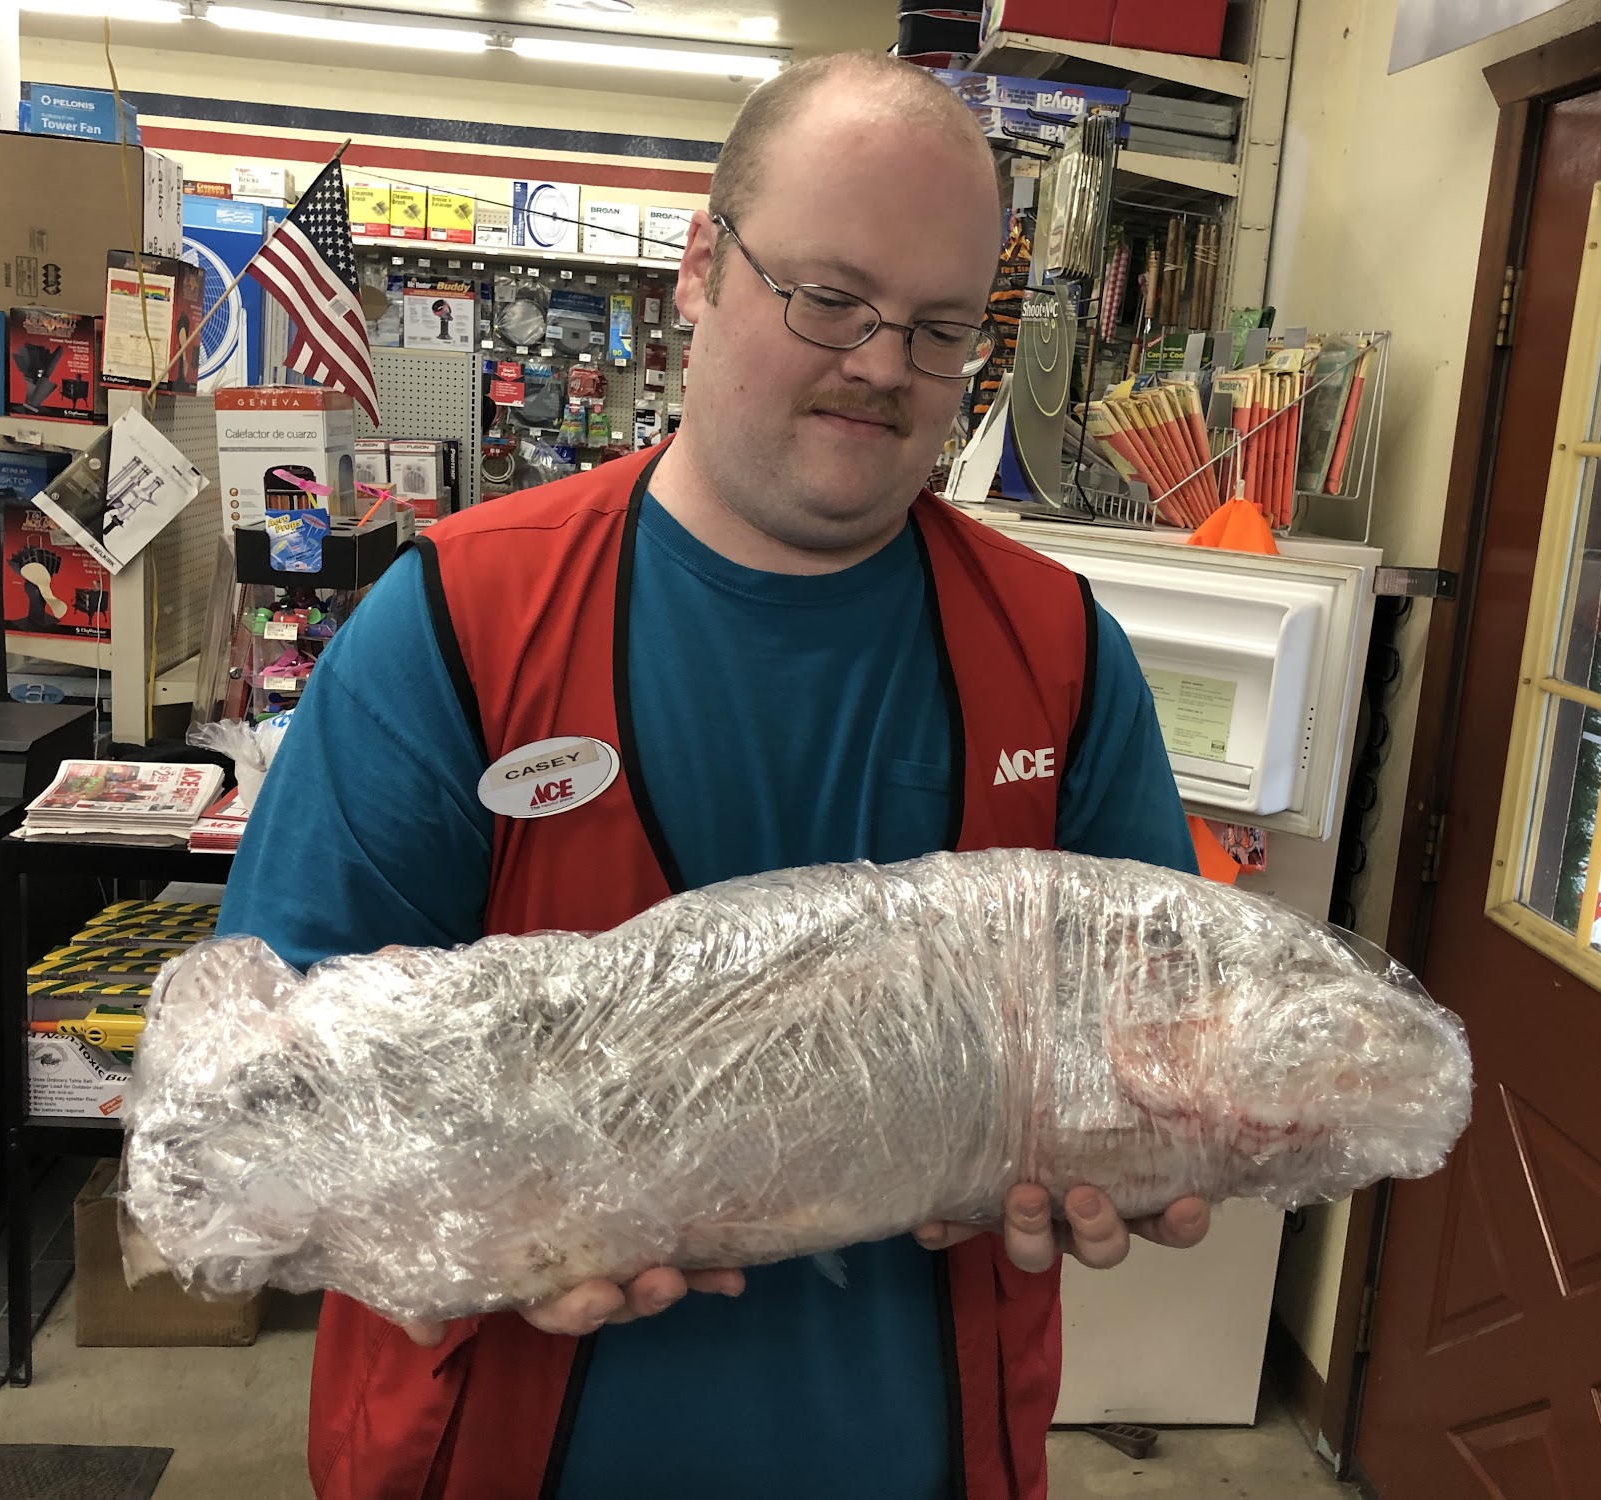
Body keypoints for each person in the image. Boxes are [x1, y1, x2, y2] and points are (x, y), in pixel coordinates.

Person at [218, 51, 1212, 1500]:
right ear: (701, 267)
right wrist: (467, 1226)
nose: (883, 364)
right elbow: (269, 1084)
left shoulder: (1056, 653)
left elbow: (1159, 1030)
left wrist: (1134, 1144)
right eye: (831, 299)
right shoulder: (460, 623)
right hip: (501, 1455)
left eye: (940, 329)